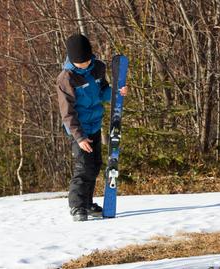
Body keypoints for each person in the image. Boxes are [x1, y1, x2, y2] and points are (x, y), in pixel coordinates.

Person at [56, 34, 128, 221]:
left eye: (87, 60)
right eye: (80, 62)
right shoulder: (66, 79)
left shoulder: (98, 68)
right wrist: (79, 138)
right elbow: (67, 113)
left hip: (94, 125)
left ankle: (87, 203)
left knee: (94, 166)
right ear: (72, 60)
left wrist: (116, 92)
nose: (85, 64)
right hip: (78, 130)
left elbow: (103, 91)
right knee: (83, 168)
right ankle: (77, 206)